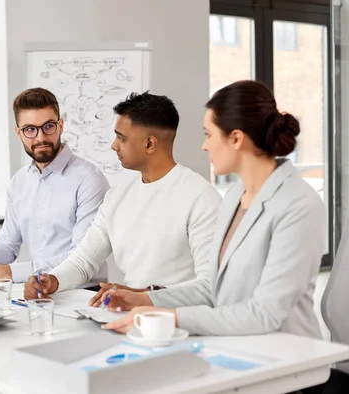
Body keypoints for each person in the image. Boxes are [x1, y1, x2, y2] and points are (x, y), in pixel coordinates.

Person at [103, 80, 326, 340]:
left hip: (287, 359)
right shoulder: (234, 197)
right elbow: (212, 287)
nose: (204, 146)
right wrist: (144, 299)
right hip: (234, 347)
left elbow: (265, 313)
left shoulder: (298, 205)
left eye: (208, 135)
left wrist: (169, 317)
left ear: (235, 138)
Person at [23, 92, 222, 303]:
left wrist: (145, 295)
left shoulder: (200, 197)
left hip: (178, 321)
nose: (113, 145)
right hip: (127, 316)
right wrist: (51, 281)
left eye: (121, 138)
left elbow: (209, 285)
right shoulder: (116, 198)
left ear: (149, 144)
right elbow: (84, 261)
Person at [0, 88, 110, 287]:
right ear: (19, 133)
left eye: (48, 126)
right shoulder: (19, 181)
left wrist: (8, 272)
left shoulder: (89, 179)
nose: (40, 138)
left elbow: (81, 256)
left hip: (83, 292)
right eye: (30, 129)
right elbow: (8, 244)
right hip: (35, 291)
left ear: (60, 125)